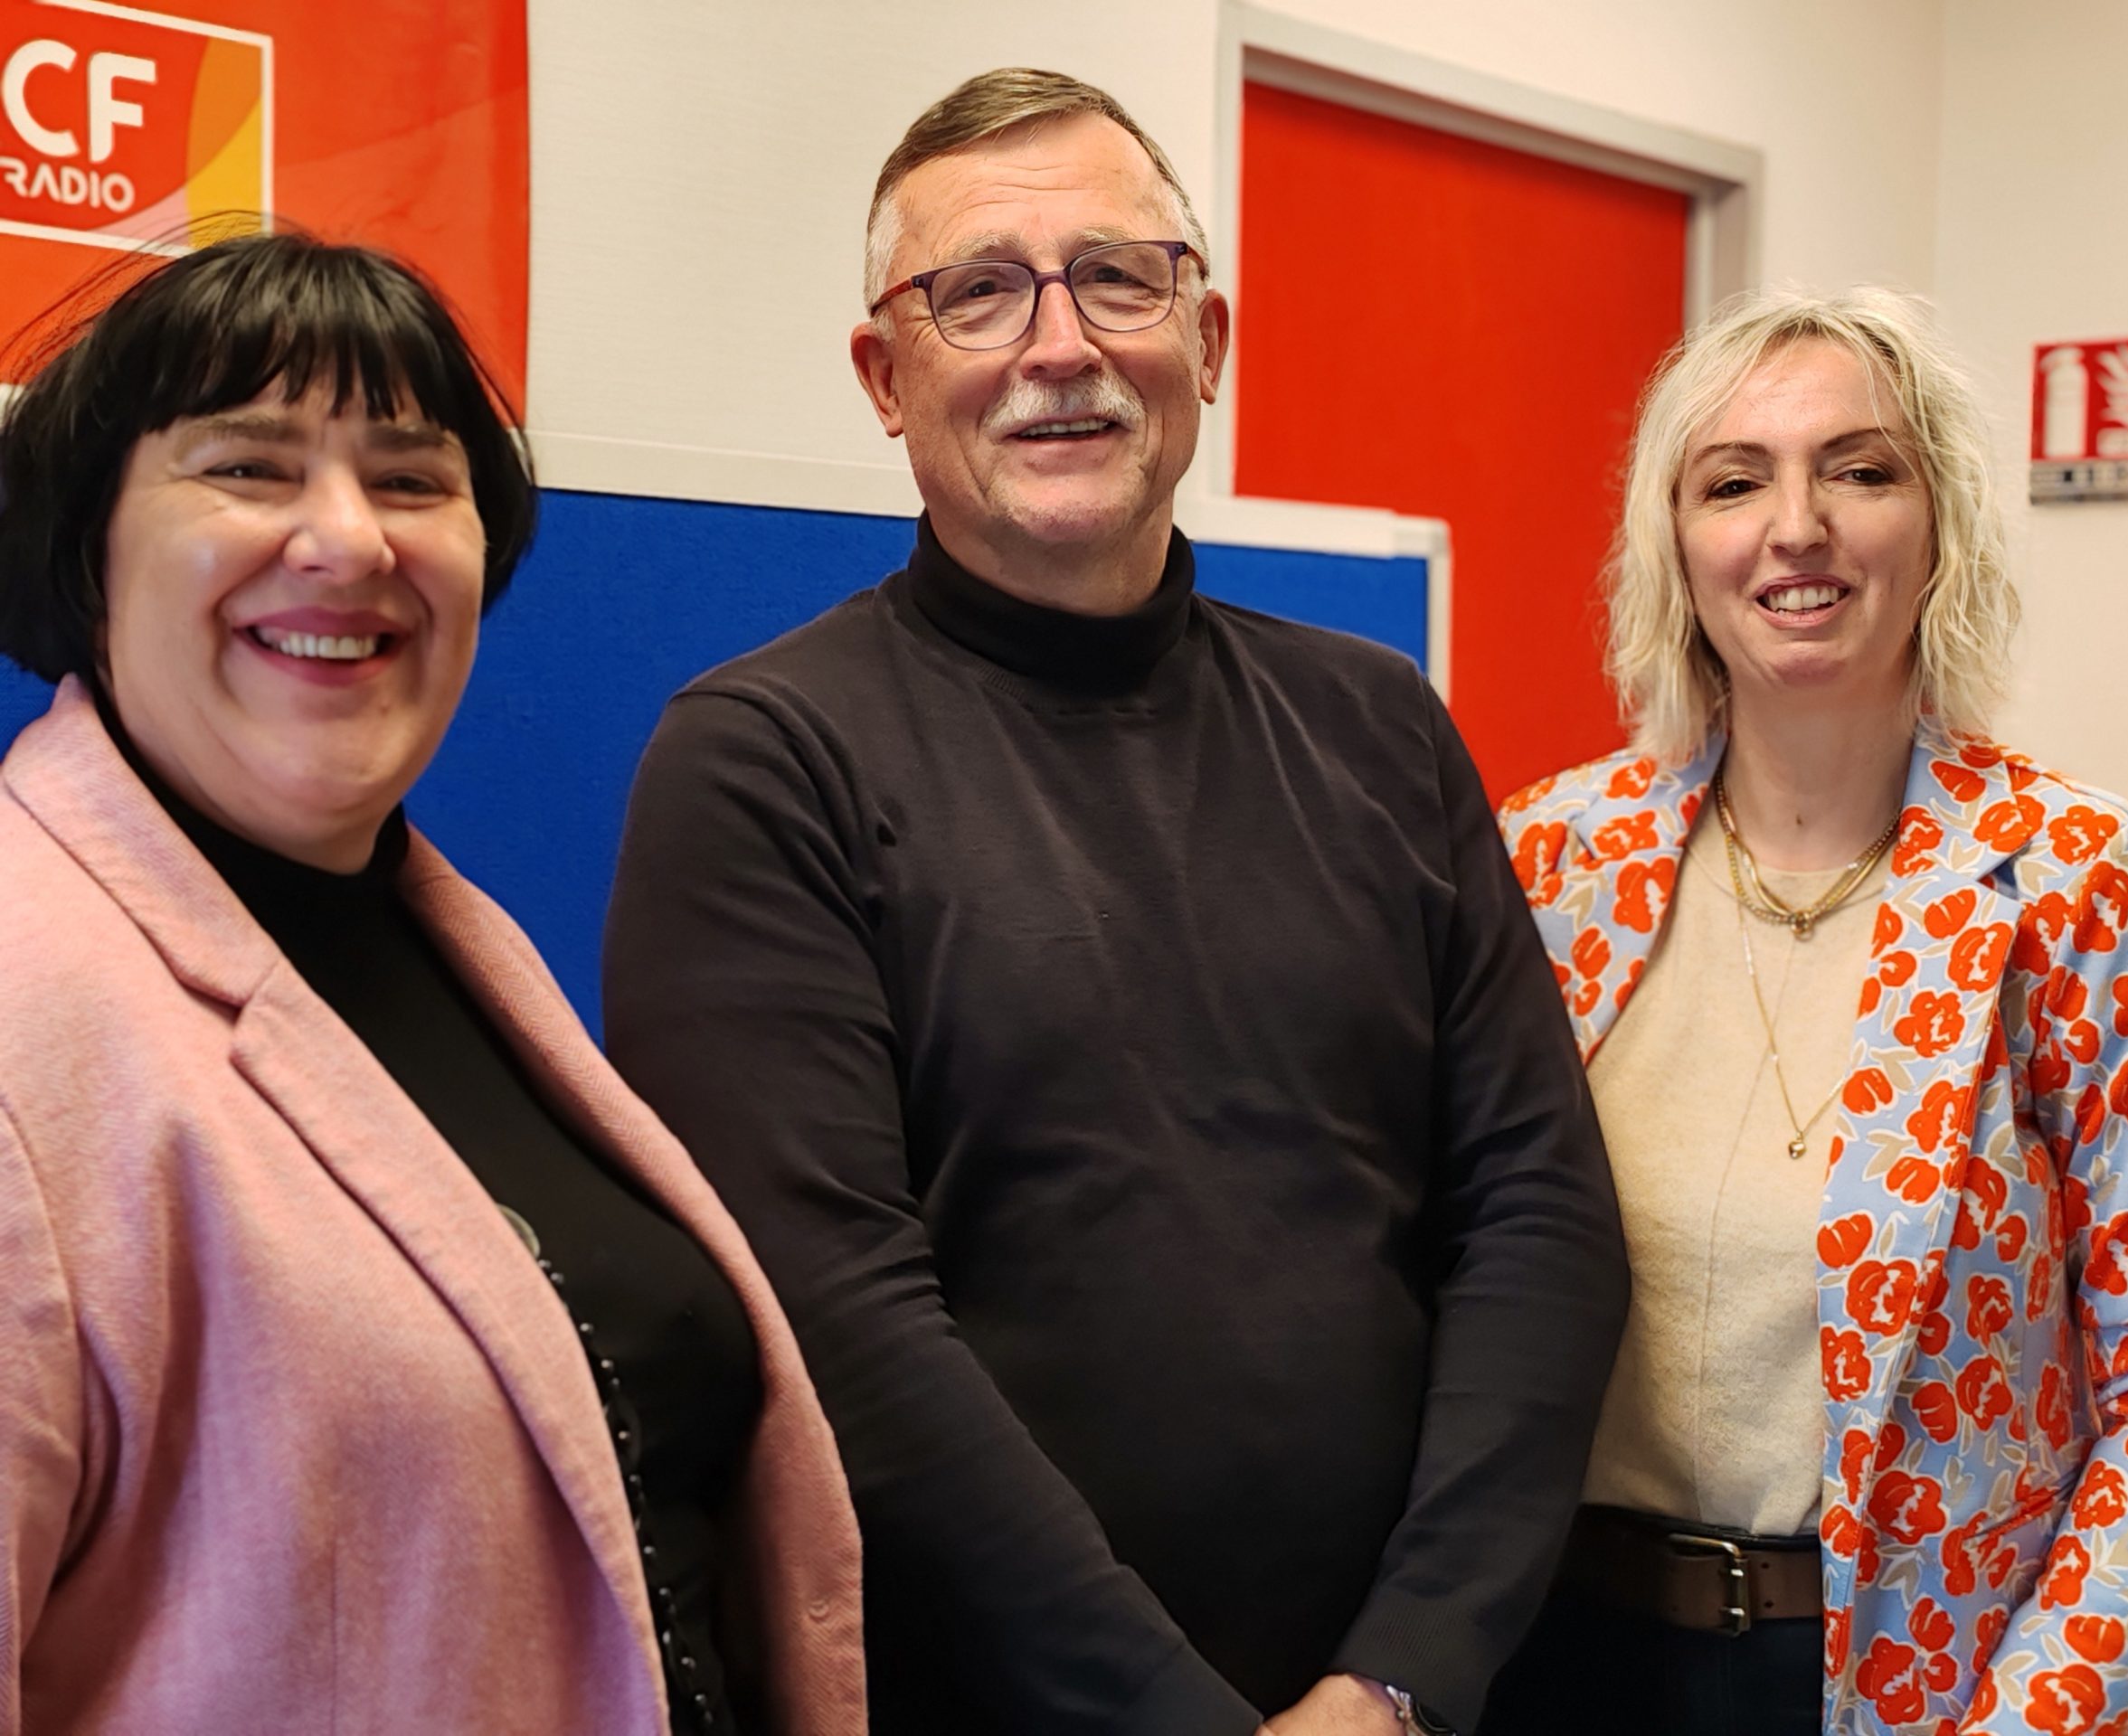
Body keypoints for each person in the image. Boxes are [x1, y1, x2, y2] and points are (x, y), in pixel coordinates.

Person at [603, 68, 1625, 1736]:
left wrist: (1405, 1674)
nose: (1060, 345)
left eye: (1116, 278)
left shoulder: (1377, 724)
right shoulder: (762, 764)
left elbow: (1540, 1216)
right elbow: (835, 1323)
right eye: (979, 293)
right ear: (885, 375)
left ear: (1206, 341)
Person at [0, 234, 865, 1735]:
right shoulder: (30, 1009)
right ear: (89, 549)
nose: (350, 541)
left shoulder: (444, 947)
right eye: (250, 468)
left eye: (411, 479)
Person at [1494, 287, 2128, 1734]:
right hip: (1556, 1659)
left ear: (1940, 530)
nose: (1795, 526)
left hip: (1929, 1684)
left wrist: (2034, 1716)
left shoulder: (2074, 883)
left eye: (1859, 471)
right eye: (1734, 482)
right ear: (1675, 545)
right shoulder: (1552, 862)